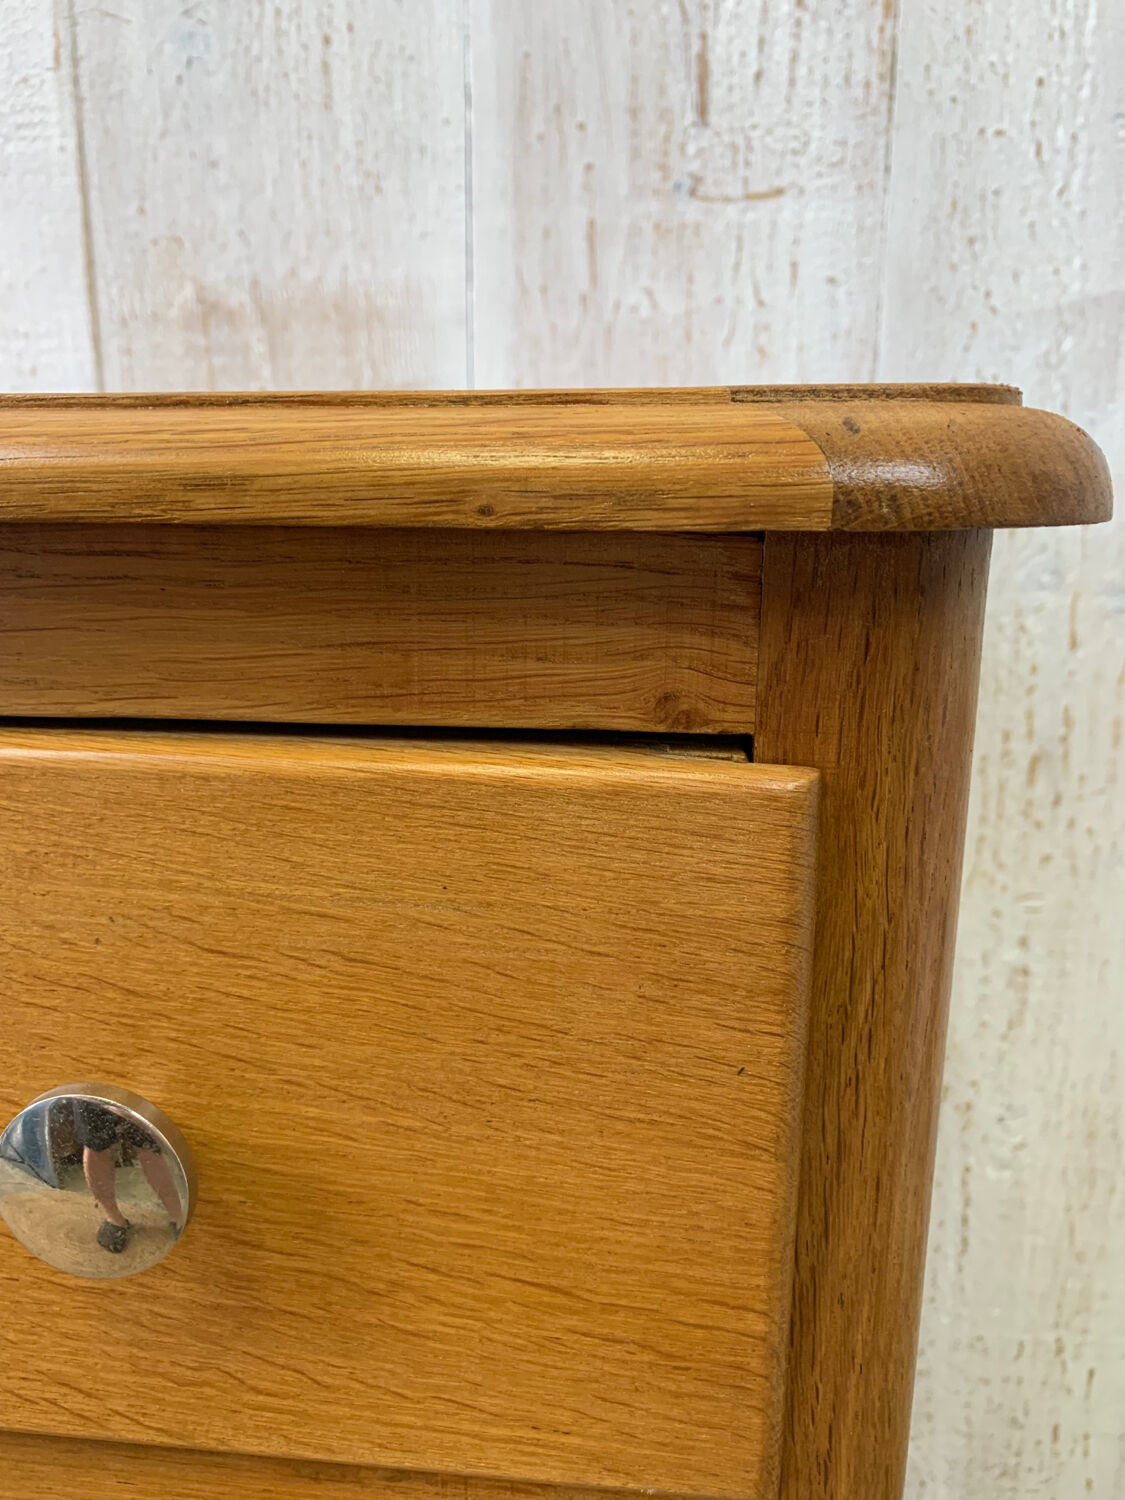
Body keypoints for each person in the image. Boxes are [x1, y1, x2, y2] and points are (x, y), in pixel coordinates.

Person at [72, 1099, 183, 1253]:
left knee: (148, 1144)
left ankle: (178, 1216)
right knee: (95, 1143)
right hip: (91, 1083)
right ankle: (114, 1219)